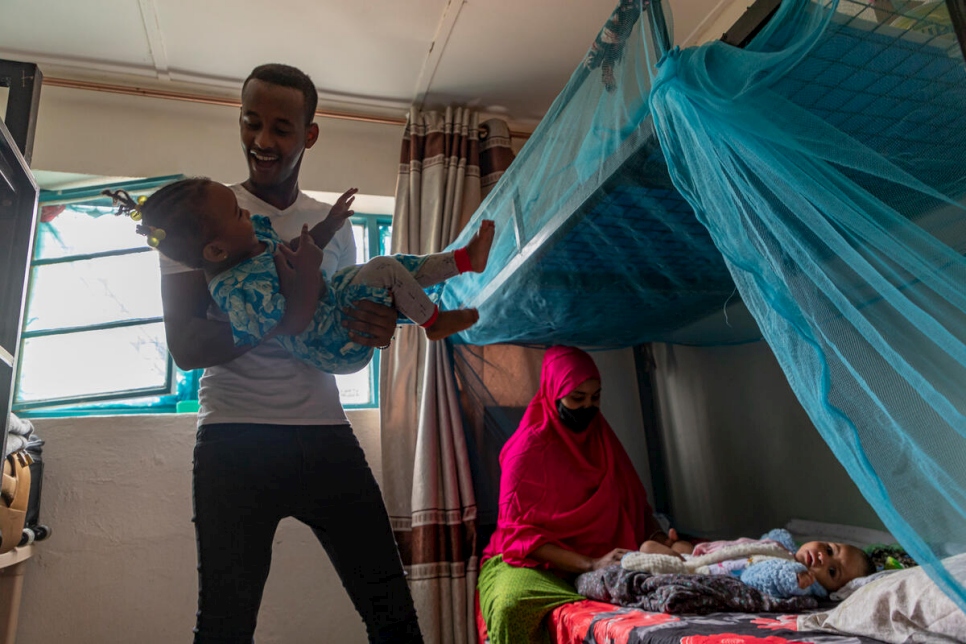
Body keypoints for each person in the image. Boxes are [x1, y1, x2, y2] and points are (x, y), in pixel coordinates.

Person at [159, 62, 422, 643]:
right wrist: (284, 319)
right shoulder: (202, 215)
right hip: (233, 438)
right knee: (225, 627)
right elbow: (185, 346)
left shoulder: (332, 225)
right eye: (251, 123)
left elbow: (344, 323)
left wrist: (375, 325)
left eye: (281, 128)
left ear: (309, 134)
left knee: (395, 617)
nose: (261, 141)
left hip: (325, 432)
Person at [108, 179, 493, 374]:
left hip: (335, 307)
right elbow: (291, 322)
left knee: (393, 265)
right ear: (215, 251)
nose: (248, 214)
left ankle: (462, 260)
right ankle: (434, 322)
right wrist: (308, 270)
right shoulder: (237, 288)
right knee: (384, 269)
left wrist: (328, 225)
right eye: (238, 214)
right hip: (328, 343)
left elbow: (295, 248)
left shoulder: (252, 242)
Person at [477, 345, 678, 644]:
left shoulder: (603, 442)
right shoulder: (527, 450)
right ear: (553, 395)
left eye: (595, 398)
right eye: (577, 398)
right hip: (534, 562)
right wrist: (590, 563)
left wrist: (661, 539)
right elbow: (519, 538)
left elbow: (635, 506)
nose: (588, 407)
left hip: (605, 555)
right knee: (512, 606)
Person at [632, 528, 875, 598]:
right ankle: (674, 541)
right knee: (687, 547)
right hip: (714, 548)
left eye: (832, 571)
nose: (823, 557)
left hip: (705, 566)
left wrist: (793, 579)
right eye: (830, 549)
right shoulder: (786, 550)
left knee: (648, 549)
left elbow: (762, 576)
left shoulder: (793, 573)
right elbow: (773, 537)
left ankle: (666, 544)